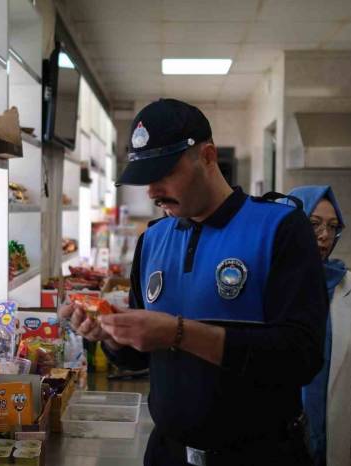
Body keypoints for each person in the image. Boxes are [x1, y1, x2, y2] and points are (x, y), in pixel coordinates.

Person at [58, 98, 329, 466]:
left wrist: (179, 332)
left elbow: (302, 356)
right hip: (168, 454)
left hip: (262, 455)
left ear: (208, 155)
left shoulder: (280, 228)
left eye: (164, 173)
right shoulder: (153, 240)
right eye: (144, 179)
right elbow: (139, 355)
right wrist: (108, 334)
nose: (151, 192)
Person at [285, 186, 351, 466]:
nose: (324, 235)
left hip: (330, 435)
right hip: (277, 436)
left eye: (332, 227)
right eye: (313, 224)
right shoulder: (271, 280)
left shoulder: (350, 286)